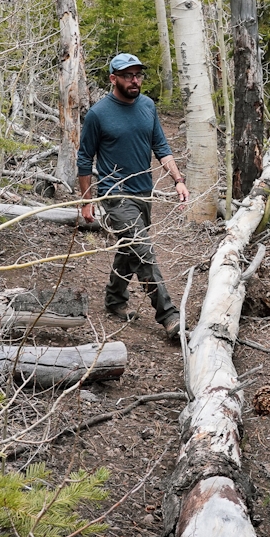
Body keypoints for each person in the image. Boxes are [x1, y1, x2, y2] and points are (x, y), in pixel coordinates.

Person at [77, 53, 189, 339]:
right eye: (128, 75)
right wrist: (87, 200)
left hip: (143, 191)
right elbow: (84, 159)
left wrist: (178, 180)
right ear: (113, 78)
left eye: (138, 74)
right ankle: (170, 317)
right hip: (114, 194)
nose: (134, 80)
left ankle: (114, 299)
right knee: (143, 250)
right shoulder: (98, 114)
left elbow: (161, 147)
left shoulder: (148, 106)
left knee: (130, 249)